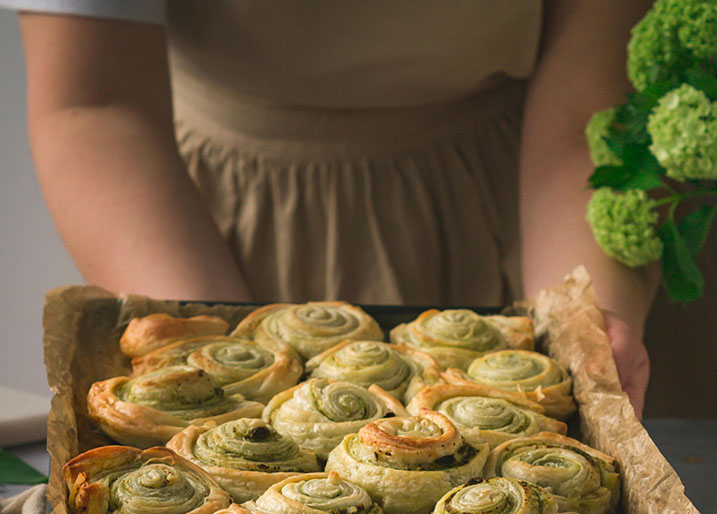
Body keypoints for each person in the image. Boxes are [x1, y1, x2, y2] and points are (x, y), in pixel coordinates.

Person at [7, 0, 655, 413]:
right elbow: (96, 103)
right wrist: (222, 362)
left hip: (528, 200)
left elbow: (585, 113)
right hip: (195, 219)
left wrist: (583, 319)